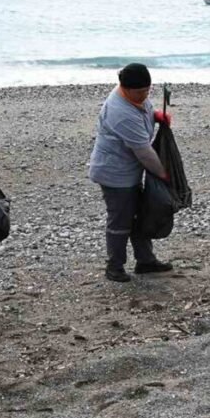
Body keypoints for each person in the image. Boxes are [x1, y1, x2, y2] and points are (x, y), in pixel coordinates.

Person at [88, 63, 174, 282]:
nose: (144, 95)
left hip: (130, 171)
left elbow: (144, 114)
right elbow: (144, 152)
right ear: (123, 87)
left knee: (140, 216)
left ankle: (146, 261)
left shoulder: (138, 97)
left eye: (147, 90)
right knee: (121, 221)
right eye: (139, 92)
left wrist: (156, 116)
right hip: (115, 173)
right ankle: (114, 266)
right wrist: (163, 174)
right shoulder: (120, 112)